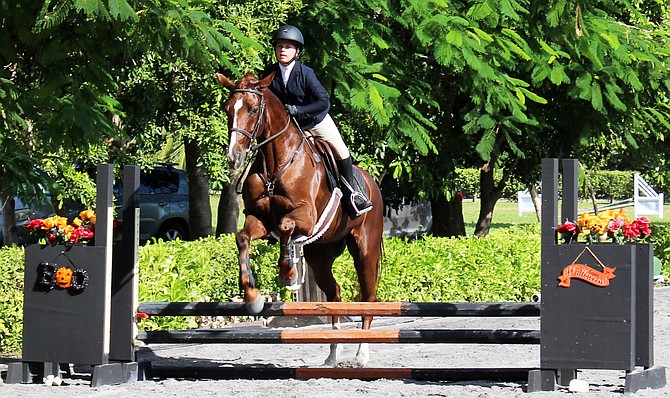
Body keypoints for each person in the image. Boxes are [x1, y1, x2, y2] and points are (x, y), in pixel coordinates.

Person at [261, 25, 373, 217]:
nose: (283, 50)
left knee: (341, 150)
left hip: (315, 121)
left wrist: (299, 110)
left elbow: (323, 101)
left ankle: (353, 193)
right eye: (280, 46)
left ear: (297, 51)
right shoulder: (269, 73)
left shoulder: (306, 73)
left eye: (288, 47)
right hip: (291, 128)